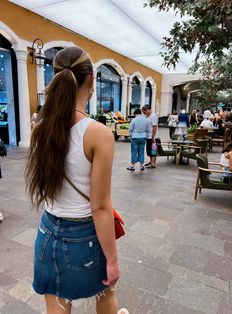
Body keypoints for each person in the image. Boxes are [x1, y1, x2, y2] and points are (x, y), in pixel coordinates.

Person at [25, 46, 129, 314]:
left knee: (57, 304)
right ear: (92, 79)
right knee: (105, 295)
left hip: (47, 230)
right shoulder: (98, 134)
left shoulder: (39, 125)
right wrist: (113, 260)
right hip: (84, 235)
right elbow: (99, 206)